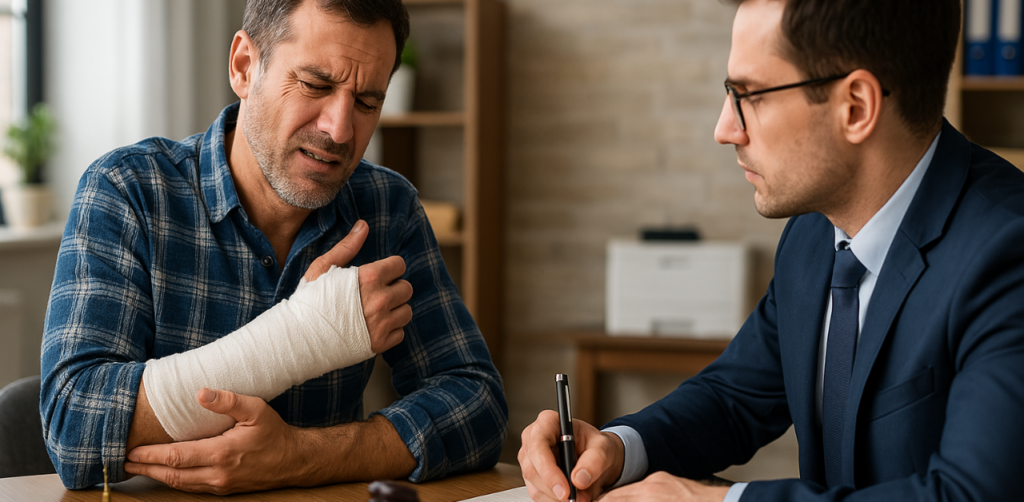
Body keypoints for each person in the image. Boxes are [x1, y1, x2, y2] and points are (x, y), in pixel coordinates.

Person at [520, 0, 1024, 500]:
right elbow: (734, 397)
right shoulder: (813, 231)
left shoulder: (1007, 252)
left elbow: (969, 494)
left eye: (750, 95)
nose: (725, 130)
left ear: (856, 108)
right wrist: (619, 448)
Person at [40, 0, 507, 494]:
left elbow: (477, 403)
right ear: (244, 67)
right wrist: (301, 336)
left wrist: (302, 458)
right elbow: (75, 429)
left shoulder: (388, 208)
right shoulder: (129, 191)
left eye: (368, 101)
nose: (340, 130)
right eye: (315, 85)